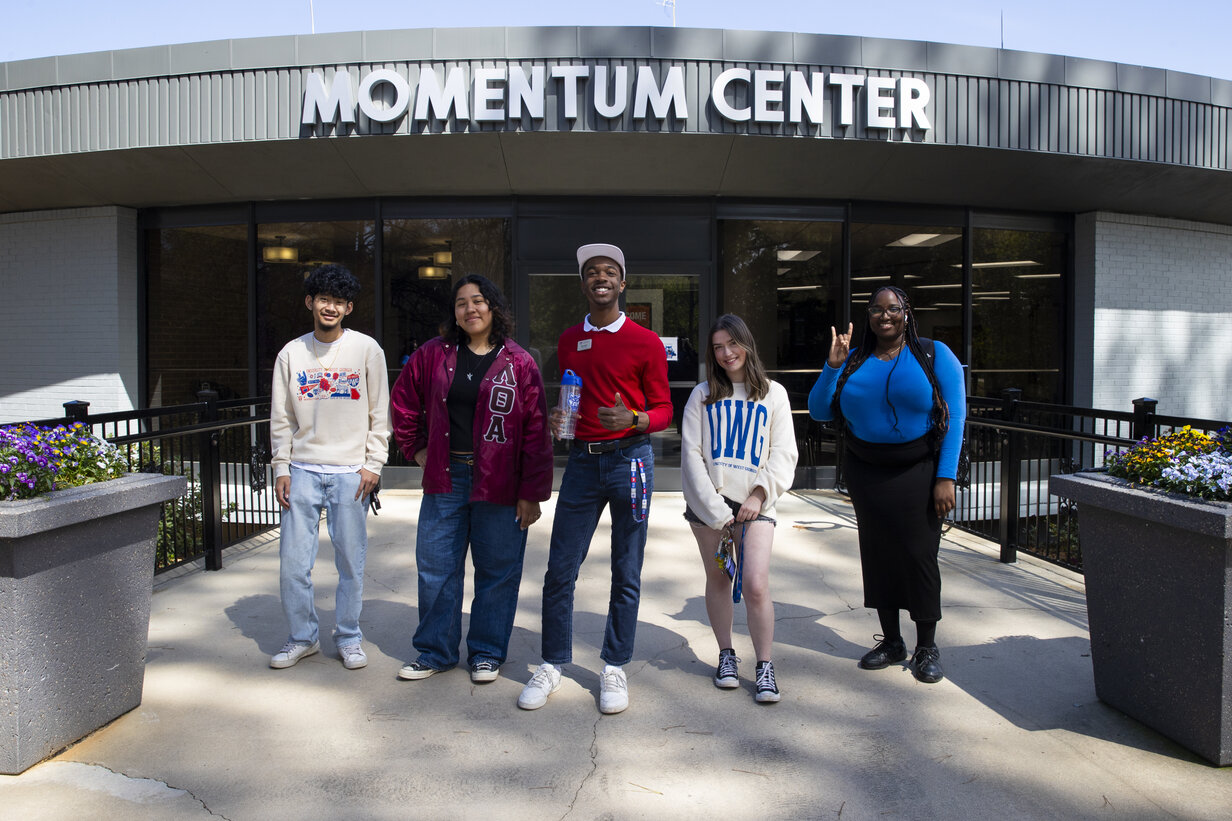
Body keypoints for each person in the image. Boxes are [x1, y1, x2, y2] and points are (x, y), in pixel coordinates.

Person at [517, 243, 672, 715]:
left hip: (632, 461)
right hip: (583, 463)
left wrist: (634, 419)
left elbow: (665, 410)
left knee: (626, 570)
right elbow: (570, 395)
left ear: (622, 283)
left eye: (609, 272)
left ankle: (615, 666)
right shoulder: (569, 340)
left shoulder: (646, 341)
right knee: (560, 569)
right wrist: (560, 418)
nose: (600, 278)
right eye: (591, 272)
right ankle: (552, 663)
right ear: (583, 284)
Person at [389, 275, 553, 683]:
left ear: (493, 308)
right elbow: (404, 402)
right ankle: (435, 651)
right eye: (461, 303)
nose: (470, 309)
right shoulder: (433, 354)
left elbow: (536, 430)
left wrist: (531, 493)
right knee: (436, 567)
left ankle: (486, 652)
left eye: (478, 301)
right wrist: (417, 449)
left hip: (500, 481)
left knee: (498, 570)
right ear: (455, 313)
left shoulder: (519, 362)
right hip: (446, 477)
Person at [807, 285, 965, 684]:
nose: (885, 315)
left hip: (920, 472)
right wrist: (832, 365)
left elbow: (957, 418)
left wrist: (945, 477)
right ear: (869, 317)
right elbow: (820, 409)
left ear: (907, 312)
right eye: (876, 309)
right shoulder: (855, 359)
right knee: (878, 555)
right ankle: (892, 641)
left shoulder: (934, 354)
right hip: (866, 471)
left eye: (892, 308)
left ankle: (926, 645)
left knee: (919, 556)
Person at [269, 264, 390, 671]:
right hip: (301, 470)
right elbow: (282, 417)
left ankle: (349, 637)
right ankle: (302, 637)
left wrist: (374, 463)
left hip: (350, 473)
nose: (330, 307)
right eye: (324, 299)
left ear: (349, 307)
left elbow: (379, 412)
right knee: (293, 564)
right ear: (310, 302)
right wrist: (281, 466)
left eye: (339, 301)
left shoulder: (367, 350)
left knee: (350, 564)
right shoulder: (291, 352)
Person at [681, 314, 798, 703]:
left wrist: (759, 495)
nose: (726, 353)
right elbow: (692, 456)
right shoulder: (701, 395)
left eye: (732, 343)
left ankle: (764, 664)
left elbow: (783, 453)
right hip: (709, 506)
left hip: (755, 504)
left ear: (746, 343)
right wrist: (717, 510)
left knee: (756, 584)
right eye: (718, 347)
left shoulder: (773, 395)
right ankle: (726, 655)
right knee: (718, 580)